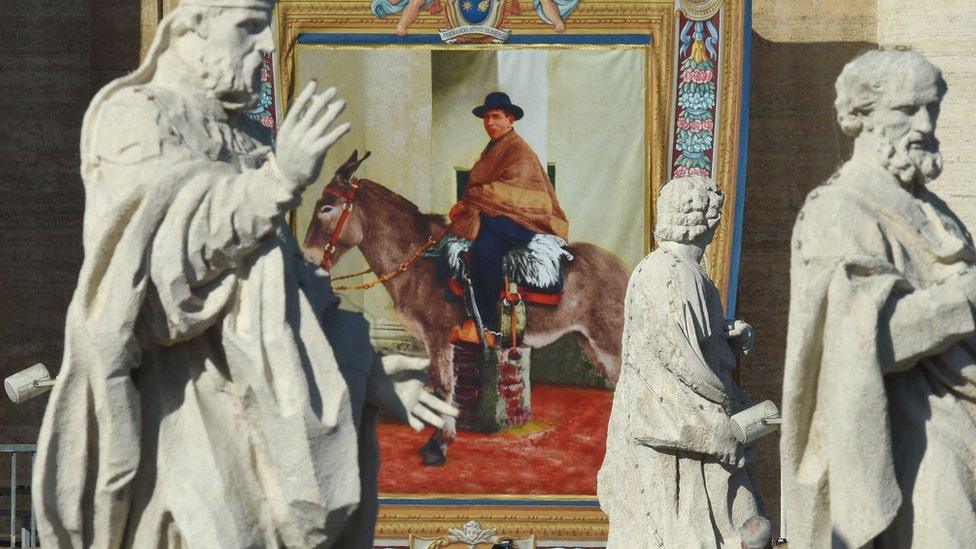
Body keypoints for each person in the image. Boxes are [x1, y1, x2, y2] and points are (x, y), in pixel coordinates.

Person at [31, 1, 454, 547]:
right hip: (186, 407)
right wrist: (279, 180)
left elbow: (283, 281)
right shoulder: (136, 115)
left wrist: (367, 371)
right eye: (250, 28)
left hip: (267, 419)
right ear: (190, 27)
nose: (265, 47)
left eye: (269, 29)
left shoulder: (252, 141)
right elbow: (159, 267)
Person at [783, 49, 976, 547]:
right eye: (908, 110)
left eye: (932, 107)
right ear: (862, 118)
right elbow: (866, 337)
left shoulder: (934, 209)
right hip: (917, 440)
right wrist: (964, 300)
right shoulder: (839, 211)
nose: (927, 123)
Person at [597, 176, 763, 548]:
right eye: (715, 217)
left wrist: (730, 337)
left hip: (687, 428)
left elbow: (698, 347)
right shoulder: (668, 272)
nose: (717, 226)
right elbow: (675, 363)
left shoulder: (691, 276)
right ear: (704, 220)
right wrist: (720, 416)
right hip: (673, 431)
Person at [448, 91, 568, 344]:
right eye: (487, 118)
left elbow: (511, 192)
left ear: (510, 120)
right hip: (501, 215)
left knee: (484, 250)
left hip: (525, 220)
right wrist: (467, 204)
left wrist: (472, 198)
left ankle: (489, 326)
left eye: (496, 117)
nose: (490, 123)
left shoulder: (518, 150)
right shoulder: (494, 149)